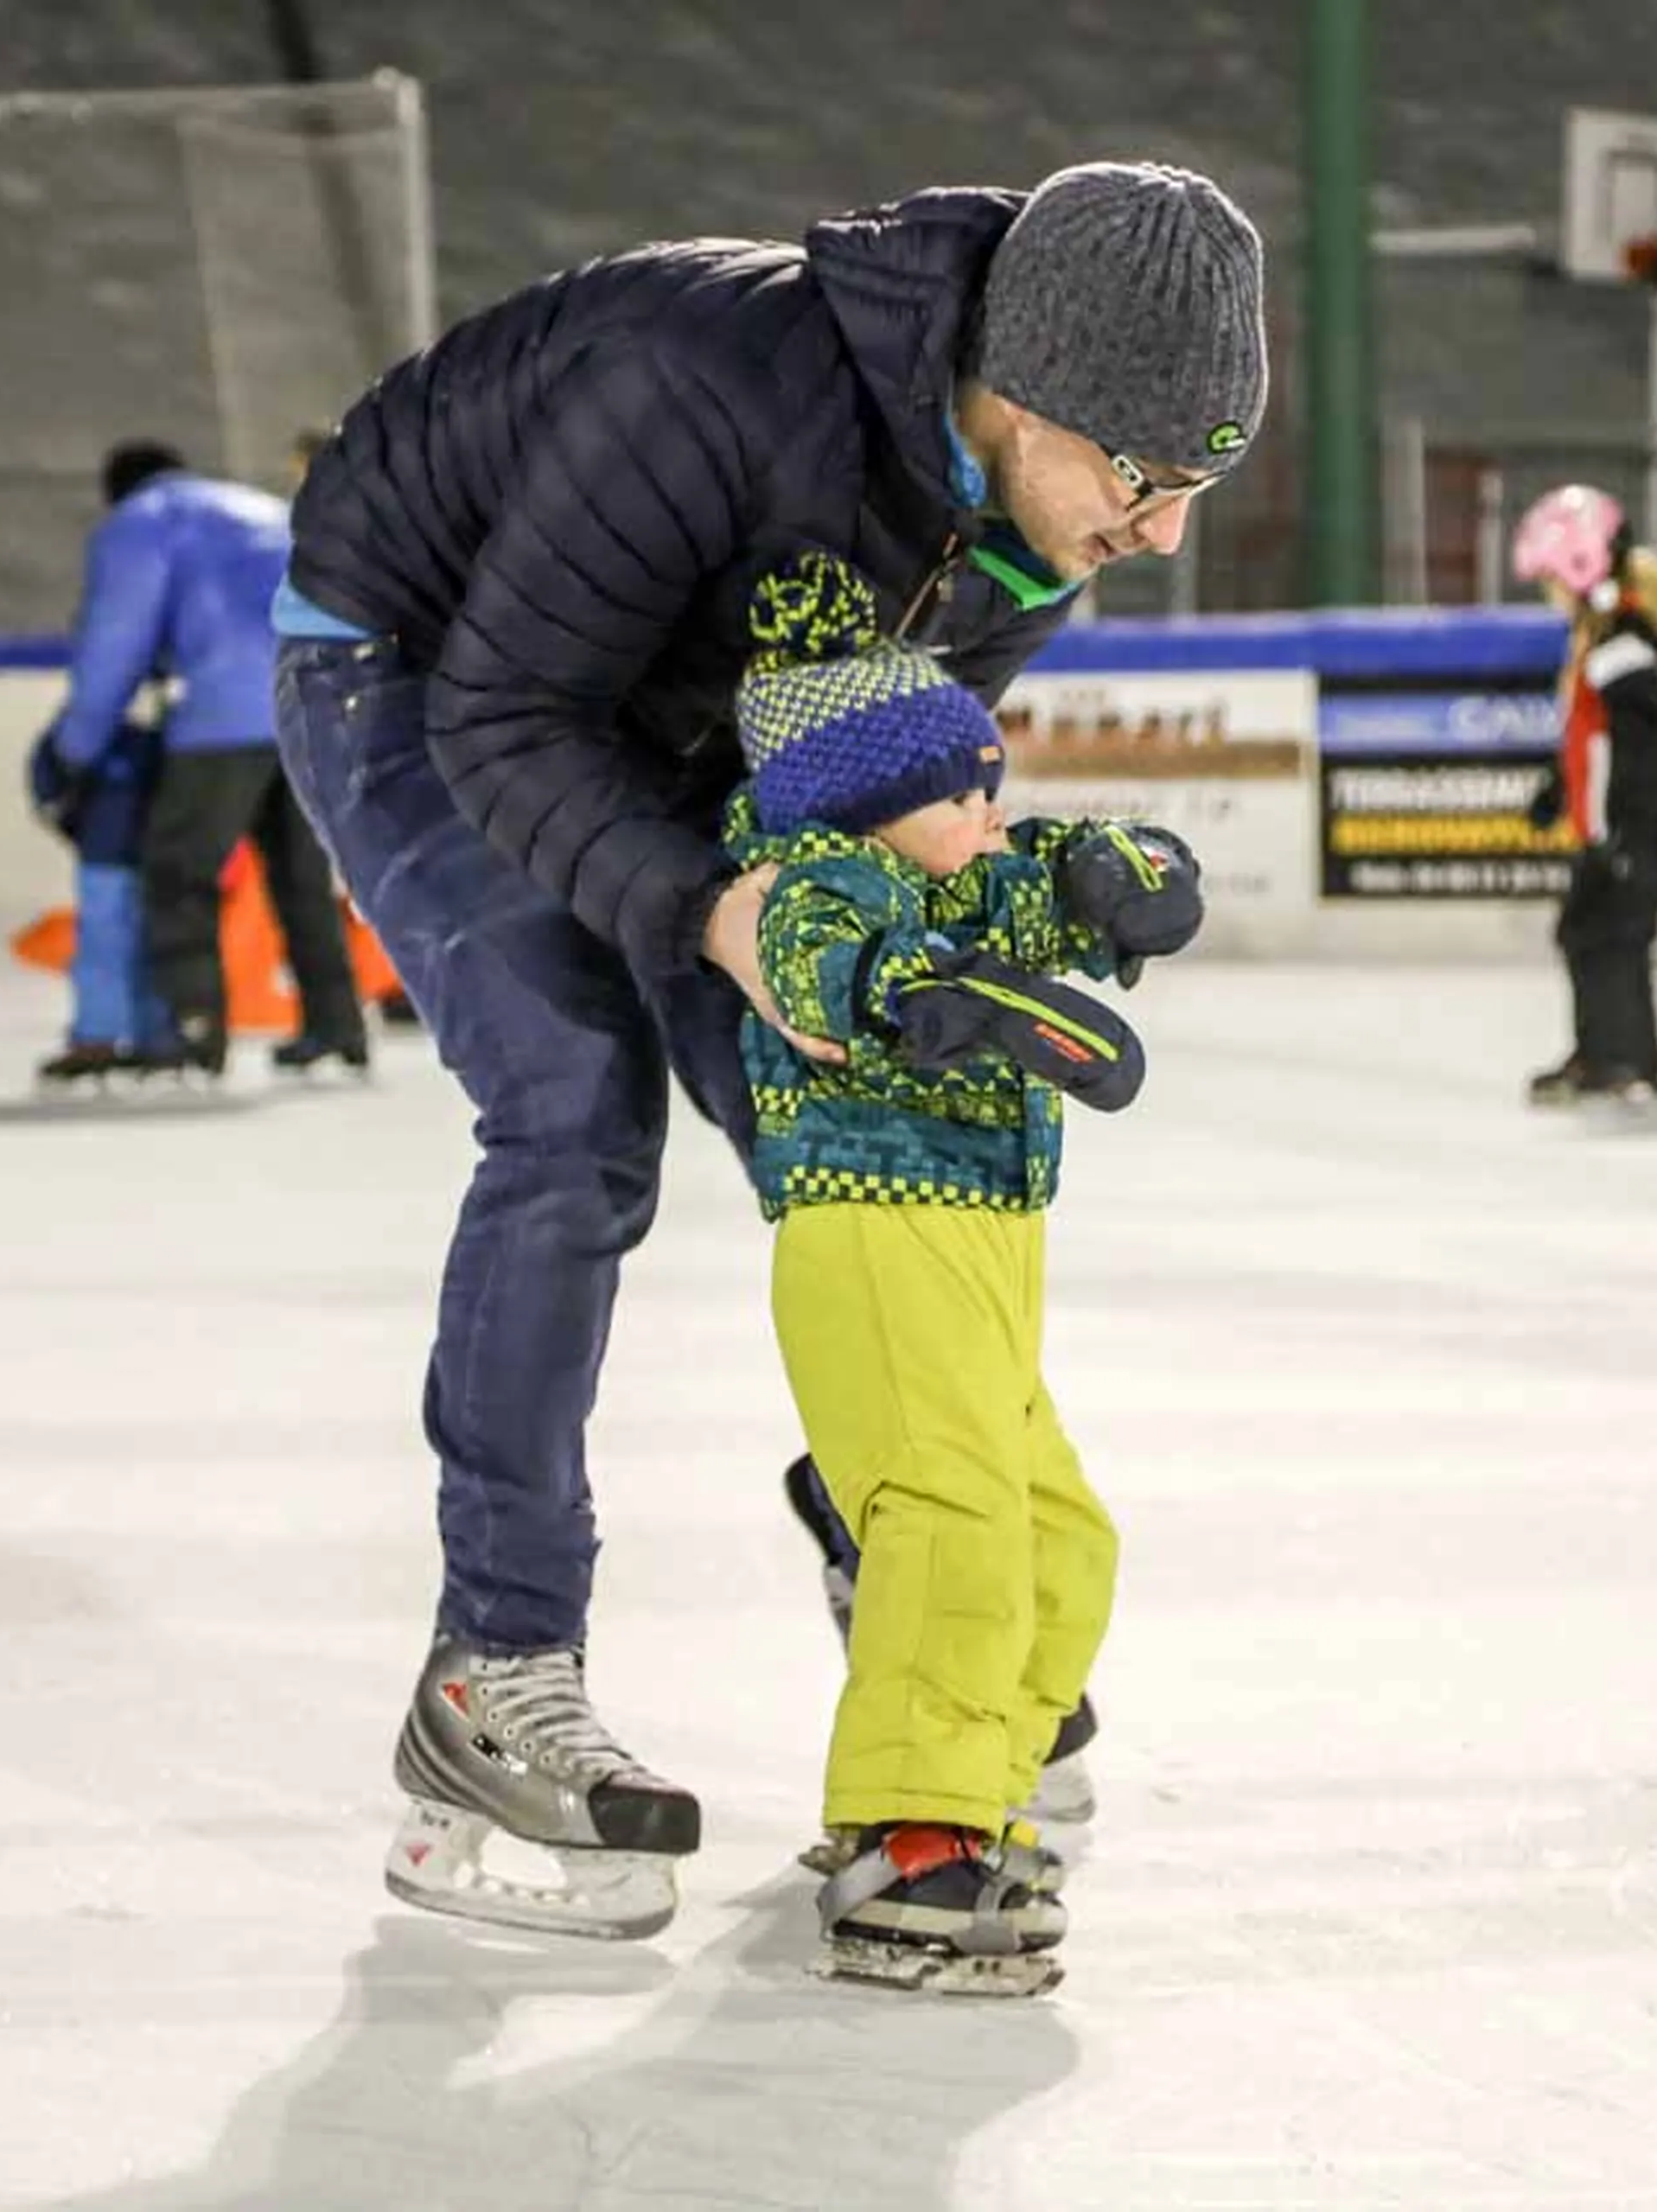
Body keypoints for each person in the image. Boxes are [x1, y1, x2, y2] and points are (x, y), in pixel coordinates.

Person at [269, 162, 1265, 1939]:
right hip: (423, 668)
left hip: (680, 707)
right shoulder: (708, 380)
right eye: (1145, 476)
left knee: (856, 1106)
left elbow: (850, 776)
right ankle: (489, 1672)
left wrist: (915, 935)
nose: (1161, 532)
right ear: (1025, 396)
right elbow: (511, 710)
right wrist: (715, 911)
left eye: (1199, 486)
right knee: (572, 1110)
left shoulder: (1038, 523)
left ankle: (903, 1540)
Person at [722, 550, 1184, 1992]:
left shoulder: (968, 875)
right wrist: (918, 994)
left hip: (986, 1244)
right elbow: (818, 965)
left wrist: (1129, 871)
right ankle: (911, 1832)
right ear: (858, 796)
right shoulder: (817, 879)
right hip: (872, 1228)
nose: (992, 812)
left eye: (993, 781)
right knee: (953, 1516)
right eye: (961, 791)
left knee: (1062, 1535)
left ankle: (976, 1776)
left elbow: (1058, 874)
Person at [43, 440, 366, 1079]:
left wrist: (73, 749)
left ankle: (191, 1032)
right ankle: (337, 1028)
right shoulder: (262, 510)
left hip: (223, 718)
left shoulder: (143, 522)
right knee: (301, 878)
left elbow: (114, 643)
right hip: (313, 709)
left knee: (178, 875)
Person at [1509, 485, 1657, 1106]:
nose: (1551, 595)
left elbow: (1652, 750)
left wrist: (1630, 830)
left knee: (1612, 936)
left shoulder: (1626, 639)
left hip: (1636, 826)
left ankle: (1621, 1059)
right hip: (1617, 827)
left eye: (1551, 580)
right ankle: (1609, 1053)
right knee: (1591, 931)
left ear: (1579, 566)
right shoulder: (1609, 637)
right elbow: (1592, 736)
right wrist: (1556, 793)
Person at [23, 692, 169, 1087]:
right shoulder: (166, 725)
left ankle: (111, 1037)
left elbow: (47, 784)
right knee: (122, 940)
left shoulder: (90, 721)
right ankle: (136, 1036)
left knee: (116, 941)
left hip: (118, 852)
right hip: (120, 853)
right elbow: (47, 781)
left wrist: (72, 822)